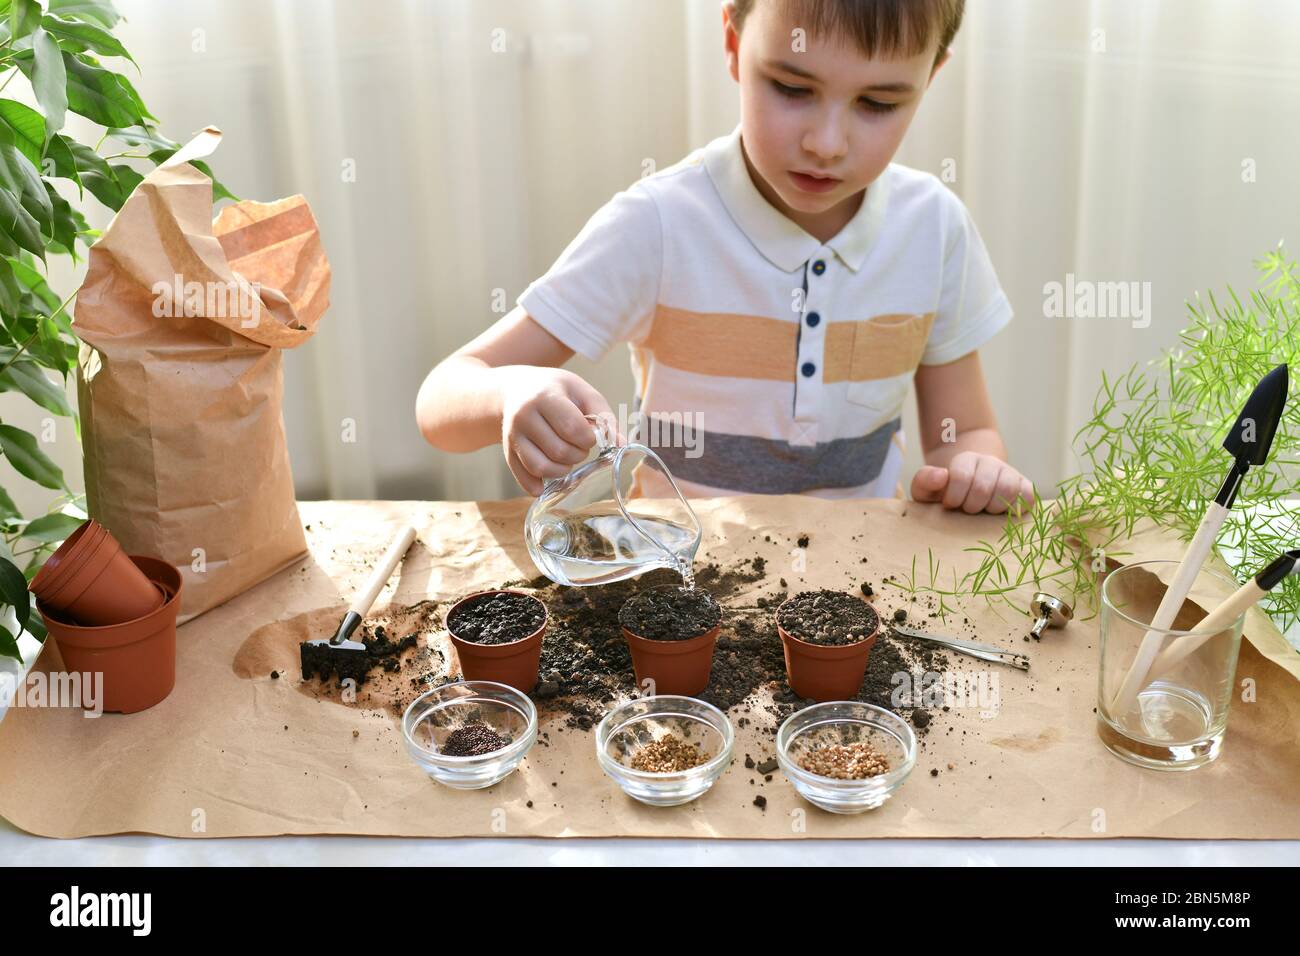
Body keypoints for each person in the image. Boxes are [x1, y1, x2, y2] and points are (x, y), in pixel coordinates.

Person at [417, 0, 1034, 516]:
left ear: (930, 79)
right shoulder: (660, 225)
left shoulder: (935, 228)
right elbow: (443, 401)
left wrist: (975, 469)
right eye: (793, 88)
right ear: (735, 46)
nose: (826, 143)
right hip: (684, 589)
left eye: (877, 104)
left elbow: (967, 431)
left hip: (861, 594)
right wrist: (512, 391)